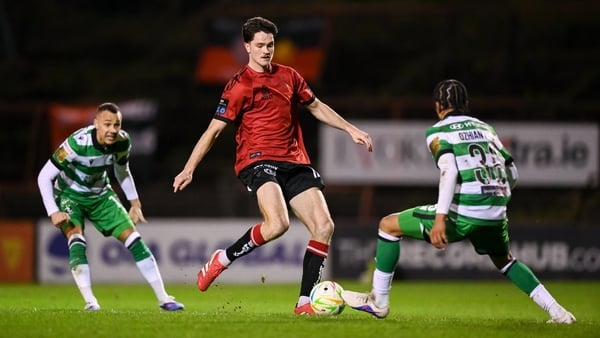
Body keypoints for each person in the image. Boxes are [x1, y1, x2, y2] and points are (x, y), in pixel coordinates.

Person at [172, 16, 373, 315]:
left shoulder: (289, 76)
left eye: (271, 45)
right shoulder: (239, 85)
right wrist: (189, 167)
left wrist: (351, 129)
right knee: (278, 224)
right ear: (247, 47)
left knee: (324, 226)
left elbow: (316, 106)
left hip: (295, 160)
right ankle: (222, 259)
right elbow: (213, 130)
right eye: (260, 46)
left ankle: (304, 302)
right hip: (256, 161)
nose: (267, 51)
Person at [342, 79, 576, 324]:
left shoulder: (438, 131)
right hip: (496, 210)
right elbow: (513, 172)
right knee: (505, 260)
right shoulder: (487, 129)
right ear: (466, 104)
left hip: (463, 212)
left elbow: (449, 170)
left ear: (437, 106)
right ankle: (558, 311)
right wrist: (497, 197)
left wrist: (440, 219)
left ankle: (378, 301)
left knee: (388, 225)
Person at [37, 102, 184, 312]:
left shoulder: (122, 142)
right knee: (76, 240)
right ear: (96, 123)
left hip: (101, 195)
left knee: (135, 240)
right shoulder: (76, 144)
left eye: (117, 125)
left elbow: (122, 171)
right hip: (70, 195)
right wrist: (53, 211)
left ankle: (164, 299)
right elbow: (44, 176)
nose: (112, 130)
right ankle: (91, 303)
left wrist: (135, 202)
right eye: (107, 124)